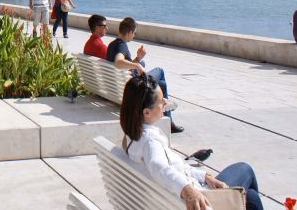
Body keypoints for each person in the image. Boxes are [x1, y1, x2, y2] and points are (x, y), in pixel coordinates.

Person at [121, 75, 263, 210]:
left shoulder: (132, 137)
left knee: (251, 197)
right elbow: (160, 167)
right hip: (201, 199)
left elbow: (171, 167)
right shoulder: (150, 142)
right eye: (160, 101)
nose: (165, 101)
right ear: (146, 112)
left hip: (174, 197)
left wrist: (204, 177)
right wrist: (188, 190)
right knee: (245, 170)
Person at [107, 17, 184, 133]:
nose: (134, 36)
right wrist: (138, 66)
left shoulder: (112, 44)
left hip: (119, 86)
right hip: (133, 87)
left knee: (161, 84)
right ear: (129, 32)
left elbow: (122, 67)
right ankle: (169, 120)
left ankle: (169, 121)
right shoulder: (121, 45)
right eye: (134, 33)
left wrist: (138, 59)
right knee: (160, 71)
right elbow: (118, 62)